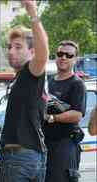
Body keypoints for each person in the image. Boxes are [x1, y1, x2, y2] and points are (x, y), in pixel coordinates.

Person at [0, 0, 49, 182]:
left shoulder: (30, 72)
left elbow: (43, 56)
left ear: (32, 52)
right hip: (30, 157)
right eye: (9, 47)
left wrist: (32, 11)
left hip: (19, 158)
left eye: (18, 47)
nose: (11, 51)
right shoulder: (21, 78)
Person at [43, 40, 86, 182]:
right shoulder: (48, 81)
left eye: (69, 55)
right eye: (60, 54)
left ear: (75, 59)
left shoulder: (77, 84)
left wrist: (51, 118)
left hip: (64, 144)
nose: (63, 58)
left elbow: (77, 114)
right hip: (44, 143)